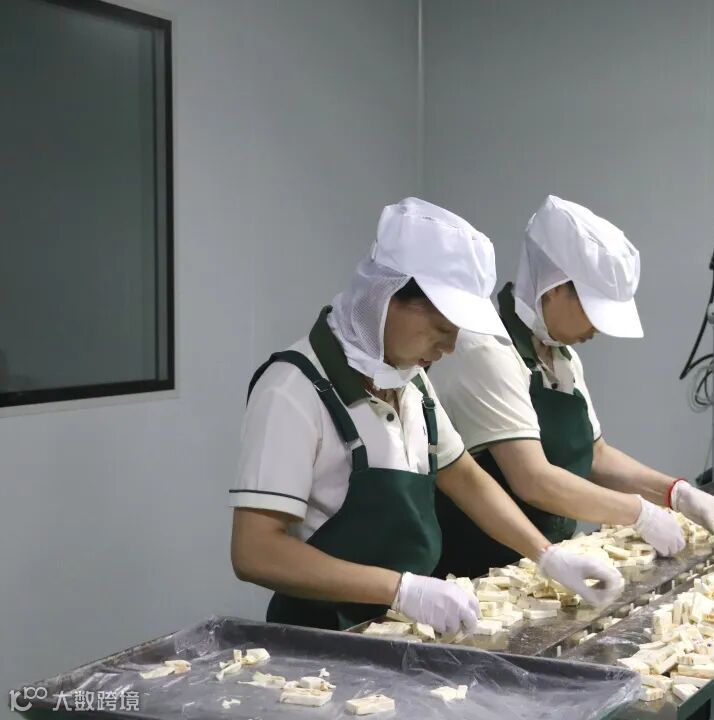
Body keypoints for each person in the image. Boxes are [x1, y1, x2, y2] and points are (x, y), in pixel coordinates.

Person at [230, 198, 624, 634]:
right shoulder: (293, 388)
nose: (450, 348)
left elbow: (465, 477)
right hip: (322, 639)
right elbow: (255, 552)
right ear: (388, 296)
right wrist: (401, 590)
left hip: (399, 630)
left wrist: (545, 554)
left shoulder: (411, 382)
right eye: (442, 329)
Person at [431, 195, 714, 579]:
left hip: (543, 564)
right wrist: (638, 513)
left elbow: (596, 455)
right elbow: (532, 479)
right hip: (479, 573)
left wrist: (676, 492)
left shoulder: (562, 358)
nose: (598, 329)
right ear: (554, 288)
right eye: (594, 310)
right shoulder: (487, 350)